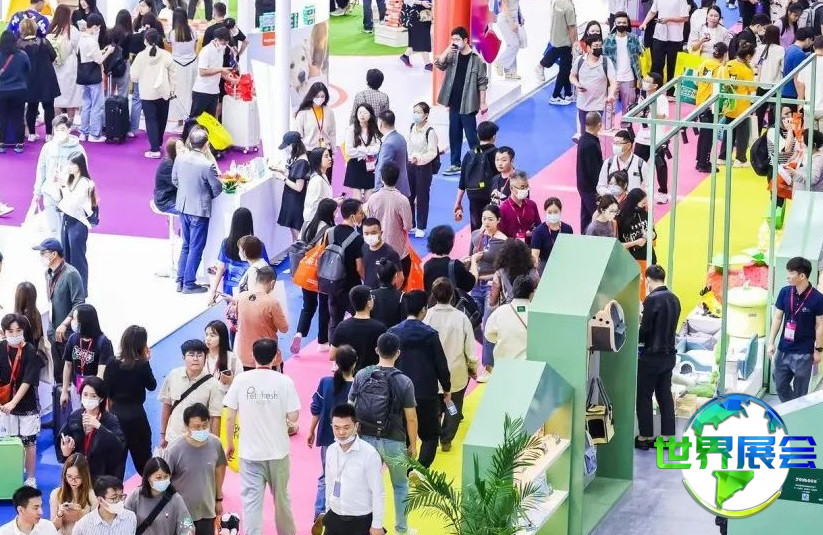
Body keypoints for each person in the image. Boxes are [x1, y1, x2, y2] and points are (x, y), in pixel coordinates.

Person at [224, 338, 299, 535]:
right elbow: (293, 416)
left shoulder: (241, 380)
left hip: (250, 454)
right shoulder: (284, 381)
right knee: (282, 500)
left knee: (251, 504)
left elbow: (230, 415)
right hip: (278, 453)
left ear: (252, 356)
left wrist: (230, 443)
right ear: (276, 357)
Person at [349, 332, 418, 535]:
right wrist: (413, 445)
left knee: (366, 486)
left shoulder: (362, 375)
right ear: (398, 353)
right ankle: (402, 529)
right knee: (400, 485)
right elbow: (411, 418)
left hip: (365, 439)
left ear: (377, 350)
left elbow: (349, 406)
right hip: (394, 440)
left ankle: (367, 526)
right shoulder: (404, 381)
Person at [390, 290, 451, 469]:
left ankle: (405, 471)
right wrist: (446, 387)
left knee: (402, 437)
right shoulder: (430, 334)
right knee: (431, 436)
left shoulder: (393, 332)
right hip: (426, 393)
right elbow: (441, 364)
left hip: (399, 393)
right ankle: (420, 470)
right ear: (424, 309)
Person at [423, 278, 477, 452]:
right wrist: (472, 366)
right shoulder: (461, 318)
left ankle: (432, 436)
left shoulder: (427, 316)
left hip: (432, 373)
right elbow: (470, 348)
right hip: (456, 372)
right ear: (452, 295)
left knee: (434, 408)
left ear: (433, 295)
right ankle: (447, 438)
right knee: (454, 407)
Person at [317, 403, 386, 535]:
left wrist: (377, 524)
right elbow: (329, 483)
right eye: (336, 427)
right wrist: (328, 510)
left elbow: (378, 492)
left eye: (346, 427)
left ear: (356, 426)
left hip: (360, 520)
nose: (341, 432)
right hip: (334, 516)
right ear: (331, 426)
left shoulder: (370, 454)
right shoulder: (331, 450)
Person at [307, 346, 357, 526]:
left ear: (336, 363)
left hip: (328, 436)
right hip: (351, 440)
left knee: (325, 476)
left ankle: (320, 512)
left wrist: (311, 431)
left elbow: (316, 408)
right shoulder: (358, 386)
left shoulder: (325, 382)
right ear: (354, 364)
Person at [635, 265, 680, 450]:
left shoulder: (651, 299)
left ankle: (645, 437)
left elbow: (645, 329)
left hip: (651, 358)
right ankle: (667, 439)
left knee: (644, 396)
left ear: (648, 280)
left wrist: (636, 337)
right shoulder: (675, 299)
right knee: (665, 396)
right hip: (669, 356)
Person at [163, 403, 226, 535]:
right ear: (186, 427)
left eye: (205, 425)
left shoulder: (216, 444)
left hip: (207, 511)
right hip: (182, 513)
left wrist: (218, 499)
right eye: (197, 427)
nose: (202, 429)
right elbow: (164, 481)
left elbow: (219, 471)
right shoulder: (174, 449)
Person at [104, 325, 156, 480]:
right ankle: (150, 487)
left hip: (115, 416)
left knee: (115, 463)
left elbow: (107, 389)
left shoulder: (112, 363)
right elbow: (152, 385)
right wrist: (147, 361)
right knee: (144, 460)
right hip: (137, 416)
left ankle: (113, 491)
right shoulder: (142, 364)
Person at [767, 256, 823, 402]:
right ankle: (794, 408)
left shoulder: (818, 298)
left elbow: (820, 325)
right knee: (780, 385)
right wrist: (771, 342)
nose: (788, 276)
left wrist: (818, 350)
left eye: (791, 273)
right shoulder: (784, 292)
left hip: (804, 353)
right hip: (783, 349)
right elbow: (778, 317)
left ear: (802, 276)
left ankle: (796, 410)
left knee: (800, 392)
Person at [173, 126, 222, 293]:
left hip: (183, 206)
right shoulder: (207, 165)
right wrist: (205, 195)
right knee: (196, 247)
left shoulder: (180, 159)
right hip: (199, 210)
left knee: (186, 245)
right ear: (206, 145)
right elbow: (217, 188)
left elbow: (175, 180)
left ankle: (180, 280)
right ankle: (188, 283)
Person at [435, 26, 489, 176]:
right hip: (453, 103)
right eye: (453, 39)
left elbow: (482, 82)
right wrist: (447, 50)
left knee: (472, 137)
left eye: (457, 39)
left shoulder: (476, 59)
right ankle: (455, 163)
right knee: (454, 134)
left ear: (465, 40)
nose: (454, 42)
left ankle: (480, 162)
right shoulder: (452, 55)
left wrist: (482, 102)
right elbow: (439, 64)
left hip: (468, 104)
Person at [0, 314, 43, 487]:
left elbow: (28, 381)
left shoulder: (31, 351)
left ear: (23, 331)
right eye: (10, 331)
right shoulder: (1, 348)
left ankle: (31, 478)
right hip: (4, 404)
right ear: (4, 332)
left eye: (18, 330)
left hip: (27, 404)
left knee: (29, 442)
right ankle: (11, 475)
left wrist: (13, 403)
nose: (14, 334)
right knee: (9, 441)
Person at [34, 238, 85, 384]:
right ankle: (59, 395)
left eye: (43, 253)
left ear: (54, 254)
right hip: (53, 330)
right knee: (58, 373)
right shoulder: (48, 273)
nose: (41, 256)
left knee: (71, 372)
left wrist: (64, 323)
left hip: (67, 332)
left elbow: (79, 303)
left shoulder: (71, 274)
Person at [158, 339, 224, 446]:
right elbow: (167, 405)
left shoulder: (213, 384)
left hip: (198, 441)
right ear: (183, 358)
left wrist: (214, 445)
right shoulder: (173, 375)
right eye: (191, 355)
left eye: (199, 355)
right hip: (173, 438)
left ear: (205, 358)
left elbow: (215, 417)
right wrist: (163, 435)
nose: (195, 358)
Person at [48, 151, 97, 295]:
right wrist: (57, 183)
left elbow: (72, 204)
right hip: (67, 220)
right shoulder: (68, 180)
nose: (69, 167)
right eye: (68, 163)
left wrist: (62, 186)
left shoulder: (86, 183)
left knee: (78, 259)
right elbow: (57, 197)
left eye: (72, 164)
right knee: (66, 258)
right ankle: (69, 289)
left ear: (79, 165)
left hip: (78, 223)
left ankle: (81, 290)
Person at [58, 377, 126, 480]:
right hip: (78, 474)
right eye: (85, 394)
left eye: (93, 396)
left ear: (101, 398)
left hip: (102, 476)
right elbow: (62, 439)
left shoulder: (110, 420)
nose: (88, 399)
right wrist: (65, 452)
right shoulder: (74, 416)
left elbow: (119, 447)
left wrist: (99, 426)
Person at [291, 198, 336, 355]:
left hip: (305, 270)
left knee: (308, 305)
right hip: (322, 272)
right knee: (324, 306)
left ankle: (299, 333)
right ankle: (323, 341)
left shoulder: (306, 224)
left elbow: (299, 243)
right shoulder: (330, 230)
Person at [467, 204, 507, 378]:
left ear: (498, 220)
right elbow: (470, 258)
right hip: (475, 284)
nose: (487, 222)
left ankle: (489, 366)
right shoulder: (476, 236)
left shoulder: (503, 241)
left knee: (488, 322)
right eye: (484, 219)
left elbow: (504, 268)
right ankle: (490, 349)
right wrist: (470, 261)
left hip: (492, 285)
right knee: (471, 321)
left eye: (491, 219)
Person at [208, 207, 269, 304]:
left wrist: (213, 291)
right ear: (249, 223)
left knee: (232, 312)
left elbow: (220, 268)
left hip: (229, 289)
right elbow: (266, 269)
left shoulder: (226, 243)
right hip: (250, 288)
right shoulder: (258, 245)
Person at [326, 198, 367, 343]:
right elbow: (359, 267)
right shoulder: (357, 239)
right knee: (360, 318)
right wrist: (367, 282)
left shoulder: (330, 232)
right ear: (352, 216)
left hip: (332, 283)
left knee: (334, 321)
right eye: (360, 213)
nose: (362, 215)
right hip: (351, 285)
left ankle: (334, 350)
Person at [233, 266, 289, 370]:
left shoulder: (240, 297)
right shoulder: (272, 302)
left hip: (243, 356)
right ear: (272, 283)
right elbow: (284, 328)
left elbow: (235, 320)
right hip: (267, 357)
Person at [131, 28, 175, 158]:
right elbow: (173, 74)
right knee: (162, 119)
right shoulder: (166, 55)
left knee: (151, 120)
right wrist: (173, 89)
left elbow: (134, 77)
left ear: (145, 41)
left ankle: (154, 149)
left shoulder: (140, 56)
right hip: (164, 91)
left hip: (147, 93)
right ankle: (159, 143)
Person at [59, 303, 112, 408]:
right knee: (77, 414)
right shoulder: (73, 338)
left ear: (84, 321)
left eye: (75, 319)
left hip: (95, 389)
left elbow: (101, 373)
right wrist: (64, 390)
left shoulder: (103, 342)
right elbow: (68, 365)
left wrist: (90, 394)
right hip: (76, 386)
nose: (72, 322)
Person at [124, 457, 194, 535]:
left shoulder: (175, 498)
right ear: (148, 478)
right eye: (159, 478)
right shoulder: (135, 497)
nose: (163, 480)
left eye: (166, 477)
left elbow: (187, 526)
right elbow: (123, 522)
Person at [18, 18, 60, 143]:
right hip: (46, 77)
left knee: (31, 106)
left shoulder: (19, 44)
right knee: (49, 107)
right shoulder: (44, 42)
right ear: (35, 28)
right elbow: (53, 56)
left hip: (29, 78)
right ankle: (48, 134)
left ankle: (31, 134)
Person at [368, 162, 413, 275]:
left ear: (382, 178)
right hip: (398, 251)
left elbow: (370, 222)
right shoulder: (402, 200)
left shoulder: (373, 198)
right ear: (397, 178)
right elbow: (408, 226)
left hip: (378, 249)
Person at [454, 121, 499, 230]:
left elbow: (462, 182)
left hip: (474, 194)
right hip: (492, 195)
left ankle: (476, 241)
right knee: (493, 226)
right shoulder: (498, 154)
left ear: (478, 136)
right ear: (494, 136)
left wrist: (458, 202)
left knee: (476, 228)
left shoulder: (470, 153)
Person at [570, 33, 616, 140]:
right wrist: (577, 84)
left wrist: (611, 94)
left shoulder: (606, 62)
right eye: (595, 46)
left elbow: (613, 81)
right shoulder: (580, 61)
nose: (598, 48)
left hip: (598, 106)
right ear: (588, 48)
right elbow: (572, 76)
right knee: (584, 134)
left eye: (600, 46)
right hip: (583, 105)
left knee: (595, 134)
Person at [633, 72, 670, 204]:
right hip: (642, 137)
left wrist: (649, 107)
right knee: (636, 164)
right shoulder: (642, 96)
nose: (645, 83)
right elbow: (638, 114)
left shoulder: (661, 98)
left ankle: (663, 192)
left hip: (656, 138)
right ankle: (635, 190)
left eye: (648, 81)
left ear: (655, 85)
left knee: (660, 166)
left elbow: (663, 116)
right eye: (645, 80)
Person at [639, 0, 690, 96]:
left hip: (675, 38)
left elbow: (685, 17)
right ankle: (656, 91)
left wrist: (669, 19)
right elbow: (652, 11)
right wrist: (644, 23)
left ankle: (671, 93)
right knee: (657, 65)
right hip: (659, 35)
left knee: (672, 67)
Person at [77, 14, 114, 143]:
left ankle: (83, 132)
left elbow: (88, 55)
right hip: (93, 76)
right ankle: (94, 134)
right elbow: (98, 60)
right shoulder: (92, 41)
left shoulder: (81, 37)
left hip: (82, 75)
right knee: (96, 105)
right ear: (93, 27)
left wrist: (101, 51)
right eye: (97, 27)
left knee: (86, 105)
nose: (98, 30)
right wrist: (108, 52)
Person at [330, 286, 387, 371]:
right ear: (368, 303)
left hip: (349, 374)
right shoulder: (380, 328)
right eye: (371, 297)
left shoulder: (342, 326)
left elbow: (332, 355)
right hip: (372, 374)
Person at [719, 43, 756, 167]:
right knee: (742, 135)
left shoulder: (729, 64)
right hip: (742, 106)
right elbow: (752, 88)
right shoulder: (746, 70)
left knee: (728, 133)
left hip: (729, 104)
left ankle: (723, 157)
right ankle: (740, 159)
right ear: (748, 56)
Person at [406, 102, 439, 237]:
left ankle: (421, 226)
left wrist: (419, 159)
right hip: (410, 165)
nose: (415, 114)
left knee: (422, 196)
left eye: (418, 112)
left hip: (424, 167)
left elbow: (432, 152)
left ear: (426, 115)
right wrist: (410, 158)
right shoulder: (412, 127)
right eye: (414, 111)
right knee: (409, 195)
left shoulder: (430, 132)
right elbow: (409, 145)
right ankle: (411, 223)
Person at [695, 42, 730, 172]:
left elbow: (696, 81)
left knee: (704, 134)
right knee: (709, 135)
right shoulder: (720, 68)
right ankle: (704, 163)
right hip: (711, 104)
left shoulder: (704, 63)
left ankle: (700, 160)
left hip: (701, 101)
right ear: (724, 54)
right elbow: (724, 86)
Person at [485, 274, 535, 361]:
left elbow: (489, 335)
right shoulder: (536, 313)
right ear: (532, 293)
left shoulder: (499, 311)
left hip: (503, 364)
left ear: (513, 290)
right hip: (529, 365)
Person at [603, 11, 643, 119]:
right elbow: (603, 60)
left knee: (629, 108)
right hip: (613, 79)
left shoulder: (634, 38)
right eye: (619, 22)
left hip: (629, 79)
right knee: (610, 108)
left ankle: (626, 128)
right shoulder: (608, 40)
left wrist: (640, 77)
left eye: (624, 22)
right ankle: (609, 127)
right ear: (615, 24)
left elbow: (640, 56)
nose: (621, 25)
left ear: (627, 23)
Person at [48, 6, 83, 127]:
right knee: (71, 95)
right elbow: (78, 48)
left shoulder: (51, 30)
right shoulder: (72, 30)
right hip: (69, 66)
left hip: (55, 66)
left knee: (56, 97)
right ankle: (70, 122)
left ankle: (57, 123)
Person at [189, 26, 231, 125]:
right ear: (216, 40)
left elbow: (217, 70)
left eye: (226, 43)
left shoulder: (220, 50)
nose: (225, 45)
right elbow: (202, 72)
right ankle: (187, 135)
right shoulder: (206, 51)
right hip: (202, 91)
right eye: (223, 43)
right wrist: (221, 69)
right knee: (195, 120)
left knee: (210, 121)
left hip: (214, 91)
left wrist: (230, 79)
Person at [538, 0, 576, 102]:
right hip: (565, 42)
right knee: (565, 70)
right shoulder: (568, 7)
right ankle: (556, 95)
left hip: (557, 40)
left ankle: (568, 93)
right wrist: (575, 44)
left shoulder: (557, 3)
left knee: (566, 68)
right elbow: (572, 27)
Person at [72, 476, 137, 535]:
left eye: (121, 496)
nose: (119, 501)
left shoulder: (130, 517)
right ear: (100, 500)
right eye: (113, 498)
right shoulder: (83, 526)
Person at [0, 30, 31, 154]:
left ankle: (1, 143)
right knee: (19, 117)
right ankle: (19, 144)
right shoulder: (22, 54)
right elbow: (28, 69)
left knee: (2, 117)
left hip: (2, 91)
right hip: (19, 90)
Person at [275, 131, 311, 237]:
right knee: (295, 232)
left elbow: (299, 187)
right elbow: (295, 176)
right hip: (293, 200)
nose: (286, 149)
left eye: (287, 147)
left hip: (296, 201)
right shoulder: (299, 158)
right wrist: (283, 171)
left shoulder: (302, 161)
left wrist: (282, 178)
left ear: (294, 145)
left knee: (297, 234)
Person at [50, 453, 96, 535]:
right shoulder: (56, 494)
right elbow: (52, 528)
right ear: (64, 476)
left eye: (78, 477)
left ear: (84, 477)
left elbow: (95, 529)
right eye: (69, 476)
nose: (73, 481)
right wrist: (60, 514)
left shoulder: (92, 496)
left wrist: (80, 514)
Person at [423, 224, 476, 295]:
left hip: (433, 301)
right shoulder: (456, 265)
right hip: (452, 301)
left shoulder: (427, 265)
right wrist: (474, 260)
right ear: (450, 243)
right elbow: (470, 284)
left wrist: (459, 264)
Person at [344, 103, 381, 200]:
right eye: (360, 112)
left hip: (370, 166)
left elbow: (376, 149)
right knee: (357, 199)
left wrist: (361, 149)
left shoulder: (374, 129)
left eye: (365, 112)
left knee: (369, 199)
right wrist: (368, 151)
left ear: (370, 114)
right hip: (355, 165)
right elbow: (349, 151)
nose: (362, 115)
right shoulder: (351, 129)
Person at [167, 8, 198, 125]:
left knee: (177, 92)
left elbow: (170, 45)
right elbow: (195, 47)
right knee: (191, 91)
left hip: (177, 65)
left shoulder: (172, 33)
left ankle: (180, 119)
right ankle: (191, 116)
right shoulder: (193, 31)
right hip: (192, 64)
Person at [576, 111, 604, 232]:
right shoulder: (591, 144)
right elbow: (593, 170)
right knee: (597, 215)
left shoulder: (583, 139)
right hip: (590, 188)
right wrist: (600, 188)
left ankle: (584, 234)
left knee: (586, 216)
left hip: (584, 185)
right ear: (599, 125)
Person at [597, 129, 647, 196]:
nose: (614, 146)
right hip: (613, 201)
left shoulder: (641, 164)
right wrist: (610, 194)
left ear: (629, 145)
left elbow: (648, 187)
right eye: (614, 143)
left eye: (618, 143)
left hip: (632, 202)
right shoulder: (608, 162)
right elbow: (600, 186)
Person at [531, 197, 574, 274]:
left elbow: (571, 250)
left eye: (555, 212)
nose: (553, 214)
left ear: (560, 211)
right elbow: (535, 255)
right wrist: (535, 273)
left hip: (564, 265)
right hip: (545, 267)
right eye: (549, 212)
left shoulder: (567, 229)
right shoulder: (538, 231)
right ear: (545, 212)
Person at [753, 26, 783, 131]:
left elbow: (753, 64)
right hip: (775, 86)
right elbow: (783, 68)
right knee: (774, 114)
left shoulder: (759, 48)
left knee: (759, 114)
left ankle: (756, 138)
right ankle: (771, 137)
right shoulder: (780, 49)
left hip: (760, 84)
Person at [498, 171, 540, 244]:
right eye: (522, 187)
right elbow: (501, 234)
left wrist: (534, 232)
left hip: (531, 246)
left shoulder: (532, 204)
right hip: (511, 247)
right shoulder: (503, 209)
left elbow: (538, 225)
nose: (525, 190)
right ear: (511, 188)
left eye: (527, 187)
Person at [374, 110, 410, 194]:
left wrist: (377, 190)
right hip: (402, 186)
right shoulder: (401, 138)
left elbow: (382, 168)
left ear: (381, 124)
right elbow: (406, 160)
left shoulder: (388, 143)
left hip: (390, 190)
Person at [294, 82, 337, 150]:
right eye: (317, 96)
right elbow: (298, 135)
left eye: (322, 96)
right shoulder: (303, 113)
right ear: (312, 96)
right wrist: (300, 152)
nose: (320, 98)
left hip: (326, 150)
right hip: (309, 151)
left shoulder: (329, 112)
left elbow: (332, 133)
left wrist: (334, 151)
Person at [361, 218, 402, 289]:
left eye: (373, 233)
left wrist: (389, 293)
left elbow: (400, 278)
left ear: (381, 233)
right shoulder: (364, 247)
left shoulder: (390, 253)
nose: (370, 236)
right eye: (366, 233)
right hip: (368, 292)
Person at [781, 27, 814, 112]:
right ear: (807, 39)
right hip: (793, 92)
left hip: (785, 89)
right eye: (811, 41)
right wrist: (800, 98)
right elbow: (797, 78)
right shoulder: (800, 54)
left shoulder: (790, 48)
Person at [797, 35, 823, 131]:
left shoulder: (805, 63)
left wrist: (799, 108)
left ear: (814, 47)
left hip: (809, 107)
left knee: (810, 138)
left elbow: (800, 90)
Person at [303, 147, 335, 224]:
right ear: (318, 160)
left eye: (329, 156)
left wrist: (333, 201)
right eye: (326, 156)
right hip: (316, 221)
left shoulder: (323, 175)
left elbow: (322, 199)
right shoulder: (316, 180)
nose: (330, 158)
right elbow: (312, 204)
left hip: (323, 218)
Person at [370, 259, 404, 330]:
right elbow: (404, 322)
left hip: (376, 334)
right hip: (395, 334)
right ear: (395, 276)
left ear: (377, 275)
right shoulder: (401, 296)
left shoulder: (370, 295)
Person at [495, 0, 524, 79]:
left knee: (512, 44)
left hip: (514, 18)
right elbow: (504, 5)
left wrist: (520, 16)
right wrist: (511, 22)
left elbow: (516, 4)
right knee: (514, 44)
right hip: (505, 19)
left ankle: (510, 71)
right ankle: (500, 62)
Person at [154, 138, 183, 213]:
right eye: (179, 148)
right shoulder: (168, 165)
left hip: (175, 195)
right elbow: (180, 185)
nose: (183, 149)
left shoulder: (179, 160)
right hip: (166, 200)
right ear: (173, 151)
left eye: (183, 146)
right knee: (194, 212)